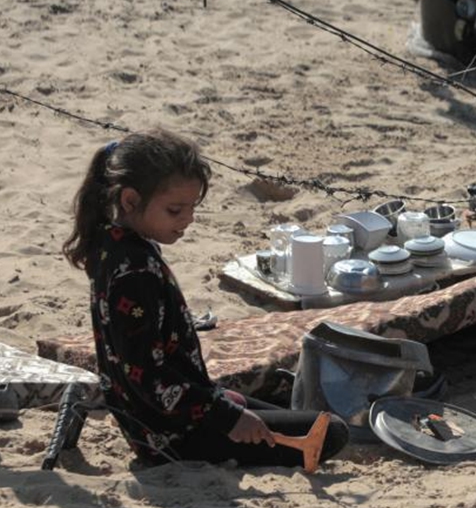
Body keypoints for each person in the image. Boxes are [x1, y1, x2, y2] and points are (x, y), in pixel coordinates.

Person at [63, 129, 348, 467]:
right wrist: (225, 416)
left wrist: (218, 406)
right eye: (175, 210)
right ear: (130, 200)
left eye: (191, 208)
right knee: (332, 432)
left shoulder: (114, 244)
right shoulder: (134, 273)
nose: (188, 220)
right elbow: (149, 378)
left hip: (184, 409)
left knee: (302, 413)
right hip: (173, 435)